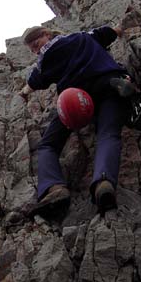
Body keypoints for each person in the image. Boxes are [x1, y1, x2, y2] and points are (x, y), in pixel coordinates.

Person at [20, 24, 132, 216]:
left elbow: (34, 82)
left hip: (75, 97)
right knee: (108, 133)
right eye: (32, 50)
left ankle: (55, 188)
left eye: (36, 44)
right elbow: (110, 32)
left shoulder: (45, 57)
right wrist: (125, 27)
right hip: (107, 83)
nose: (36, 50)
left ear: (47, 34)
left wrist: (22, 93)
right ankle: (104, 183)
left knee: (48, 145)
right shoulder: (82, 36)